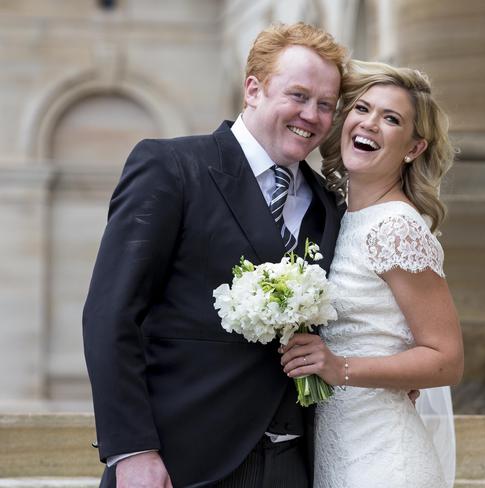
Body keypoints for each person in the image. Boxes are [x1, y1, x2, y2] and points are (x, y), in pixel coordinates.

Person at [82, 22, 347, 488]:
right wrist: (132, 449)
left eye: (326, 104)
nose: (312, 115)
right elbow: (110, 314)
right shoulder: (171, 169)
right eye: (299, 96)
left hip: (294, 466)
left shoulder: (329, 205)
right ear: (253, 89)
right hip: (181, 462)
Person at [280, 59, 464, 488]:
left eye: (391, 119)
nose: (370, 124)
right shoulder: (340, 217)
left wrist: (340, 366)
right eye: (362, 109)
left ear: (414, 147)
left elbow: (446, 359)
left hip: (385, 459)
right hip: (335, 450)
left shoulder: (395, 227)